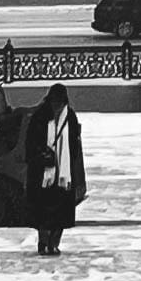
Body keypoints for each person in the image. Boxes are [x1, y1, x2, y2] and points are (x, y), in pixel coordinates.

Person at [22, 85, 84, 255]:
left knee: (60, 213)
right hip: (42, 173)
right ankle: (43, 242)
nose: (57, 105)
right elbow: (31, 143)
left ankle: (54, 243)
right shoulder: (40, 116)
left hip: (63, 174)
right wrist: (41, 156)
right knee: (42, 211)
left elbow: (74, 143)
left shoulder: (69, 116)